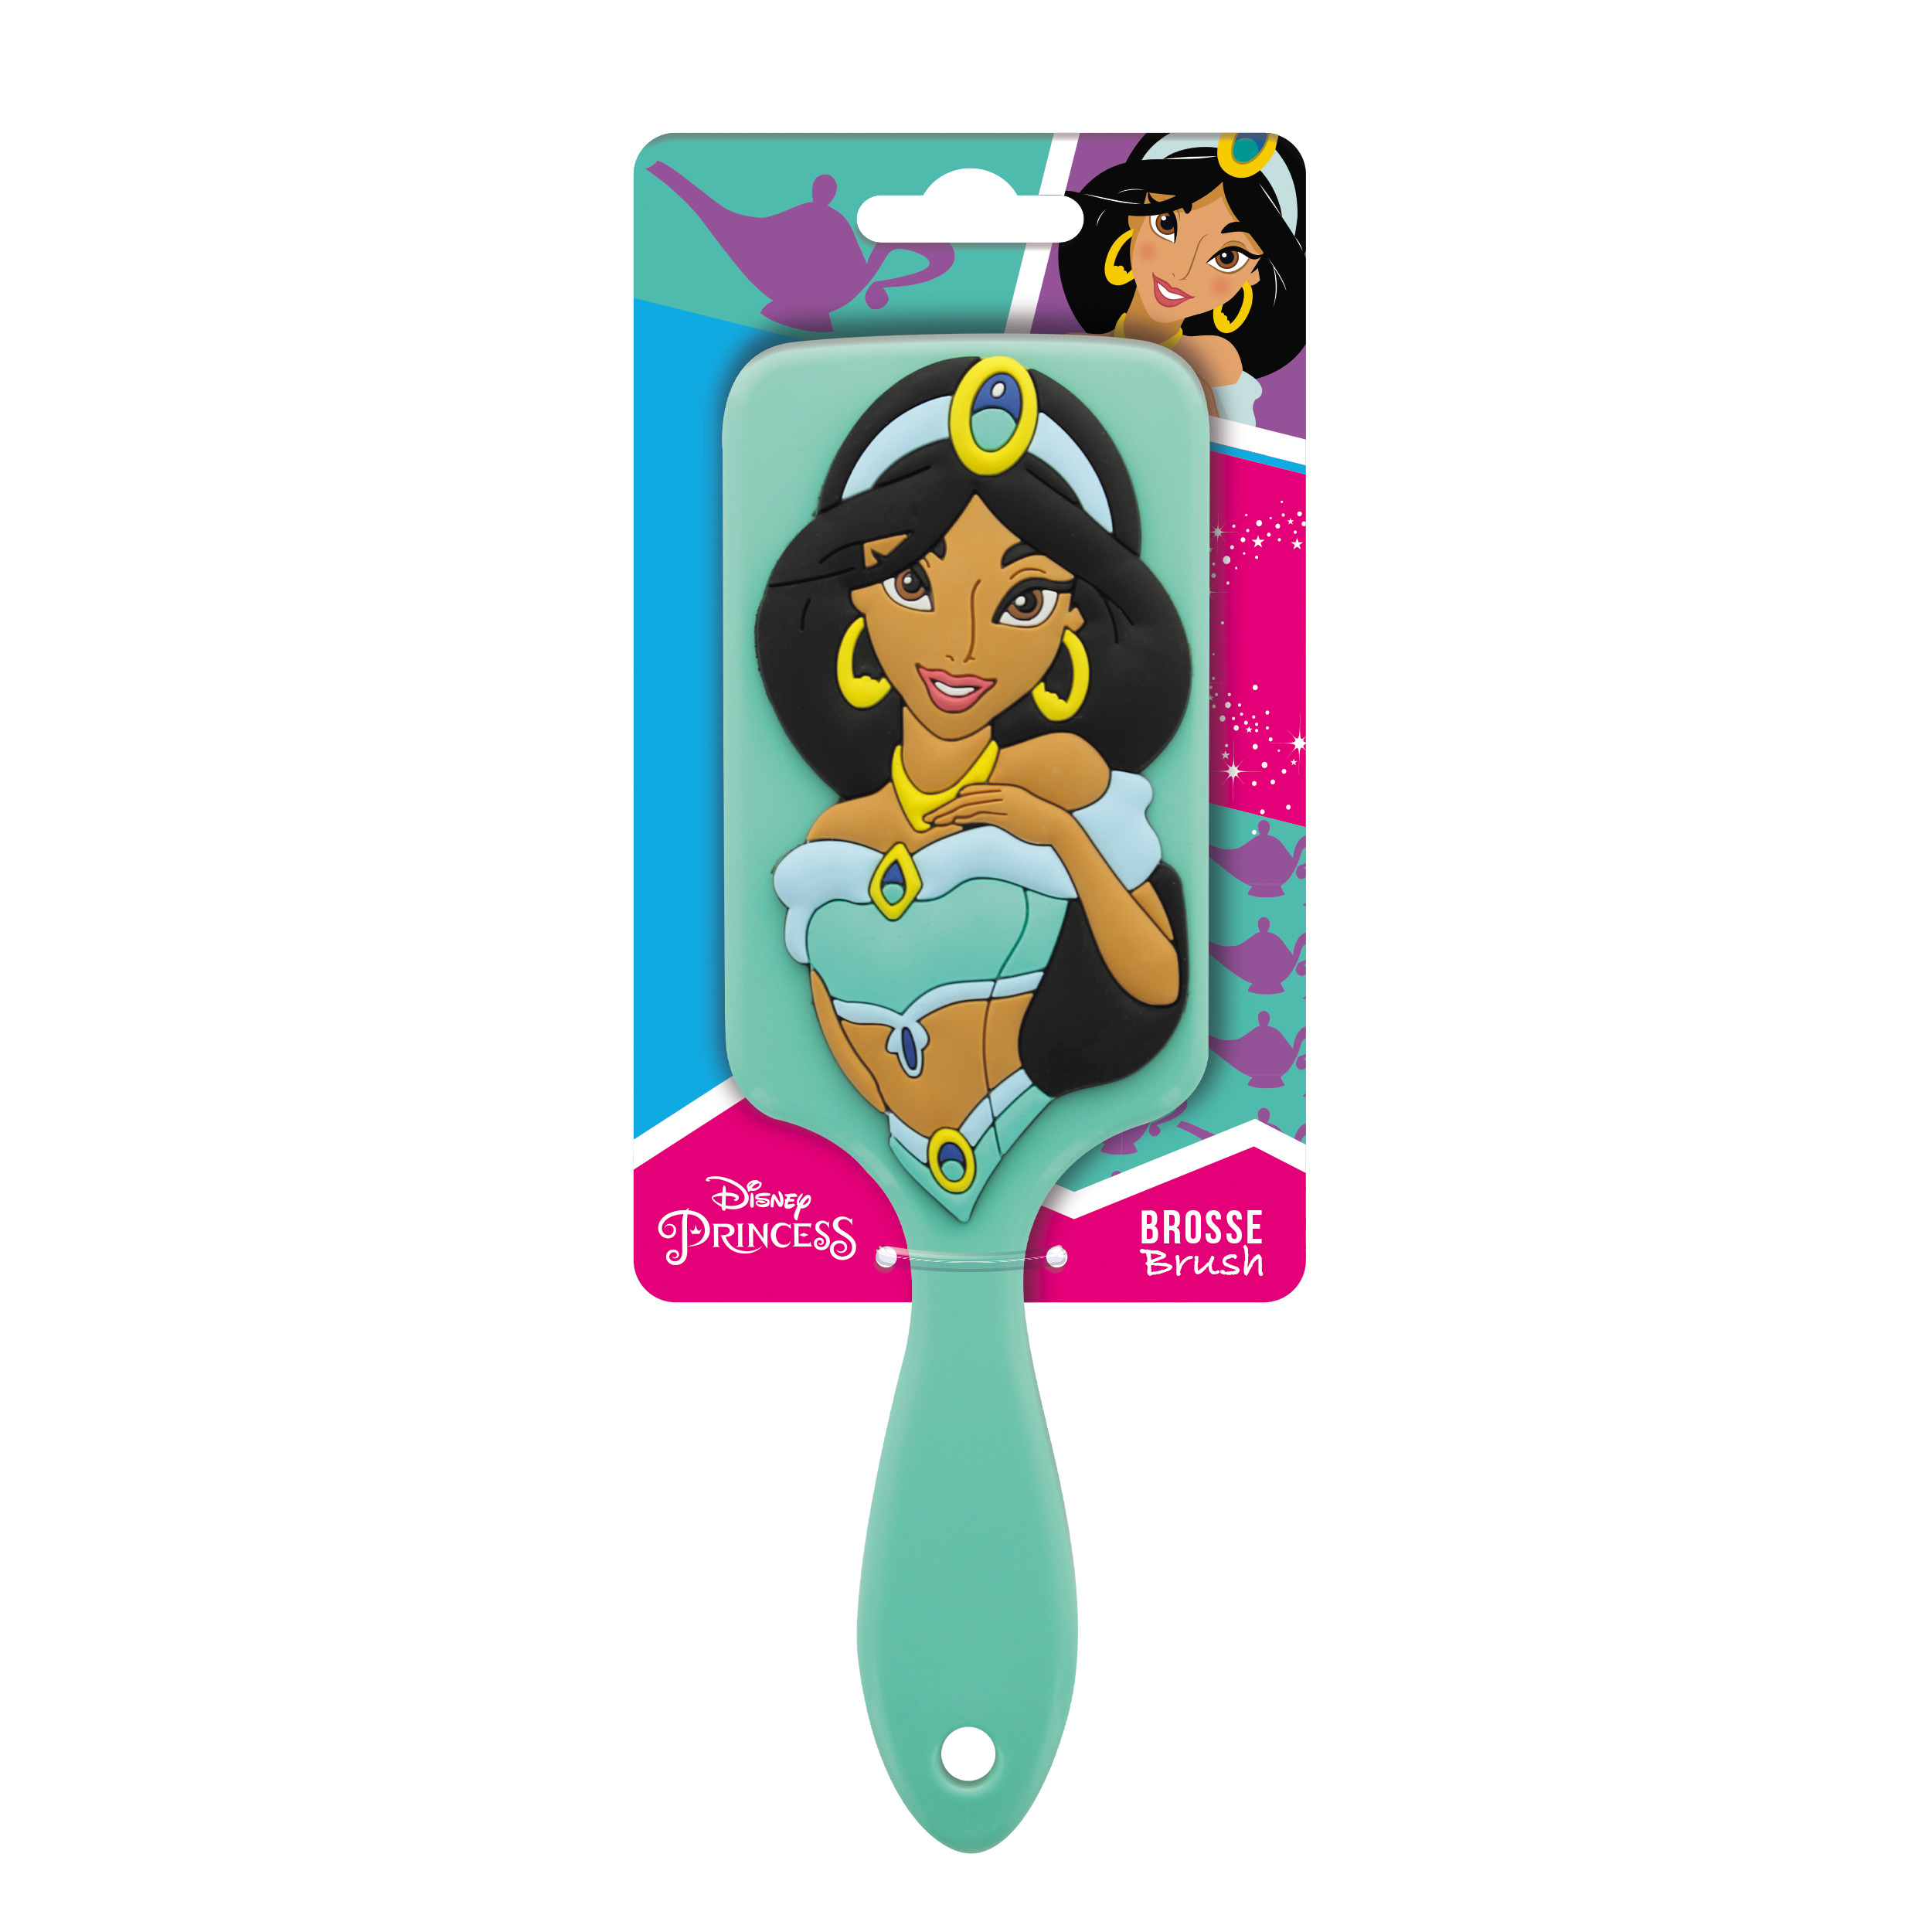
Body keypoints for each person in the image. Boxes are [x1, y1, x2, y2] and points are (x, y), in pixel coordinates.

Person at [760, 355, 1190, 1219]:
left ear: (1074, 617)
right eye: (913, 583)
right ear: (859, 592)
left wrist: (1058, 834)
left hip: (1026, 1124)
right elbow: (837, 1023)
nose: (959, 647)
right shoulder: (836, 840)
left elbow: (1154, 983)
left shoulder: (1066, 785)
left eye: (1023, 600)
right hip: (903, 1163)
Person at [1059, 133, 1305, 426]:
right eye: (1166, 224)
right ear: (1134, 216)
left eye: (1227, 257)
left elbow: (1225, 447)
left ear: (1254, 273)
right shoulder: (1074, 352)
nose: (1182, 271)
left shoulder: (1215, 365)